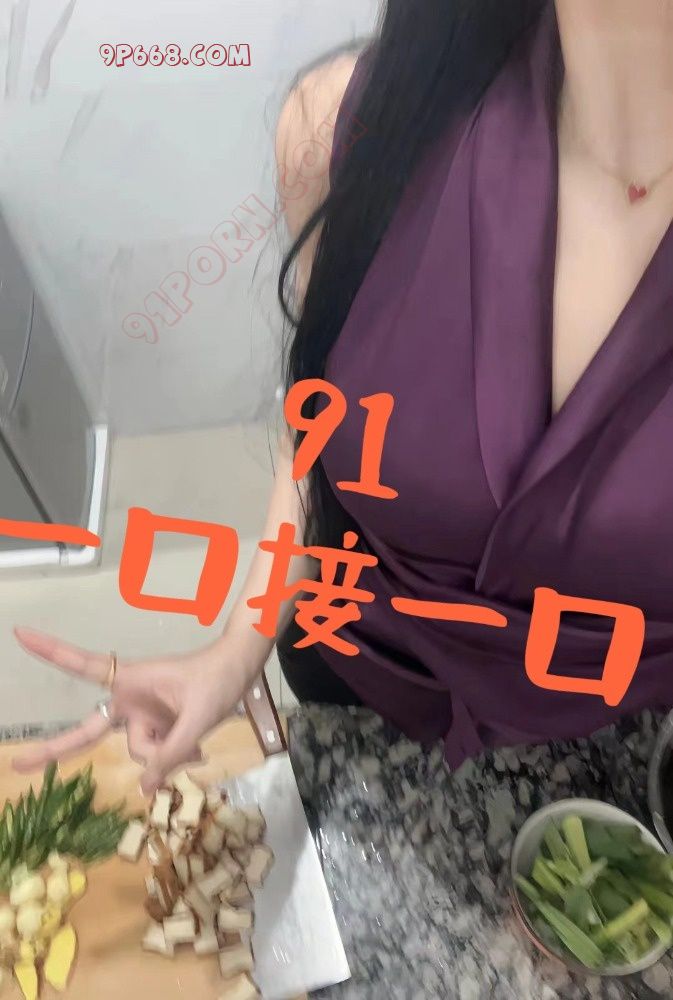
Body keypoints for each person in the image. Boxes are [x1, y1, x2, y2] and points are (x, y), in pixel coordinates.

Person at [13, 0, 673, 794]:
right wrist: (236, 648)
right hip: (363, 685)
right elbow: (321, 424)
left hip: (624, 764)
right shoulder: (353, 123)